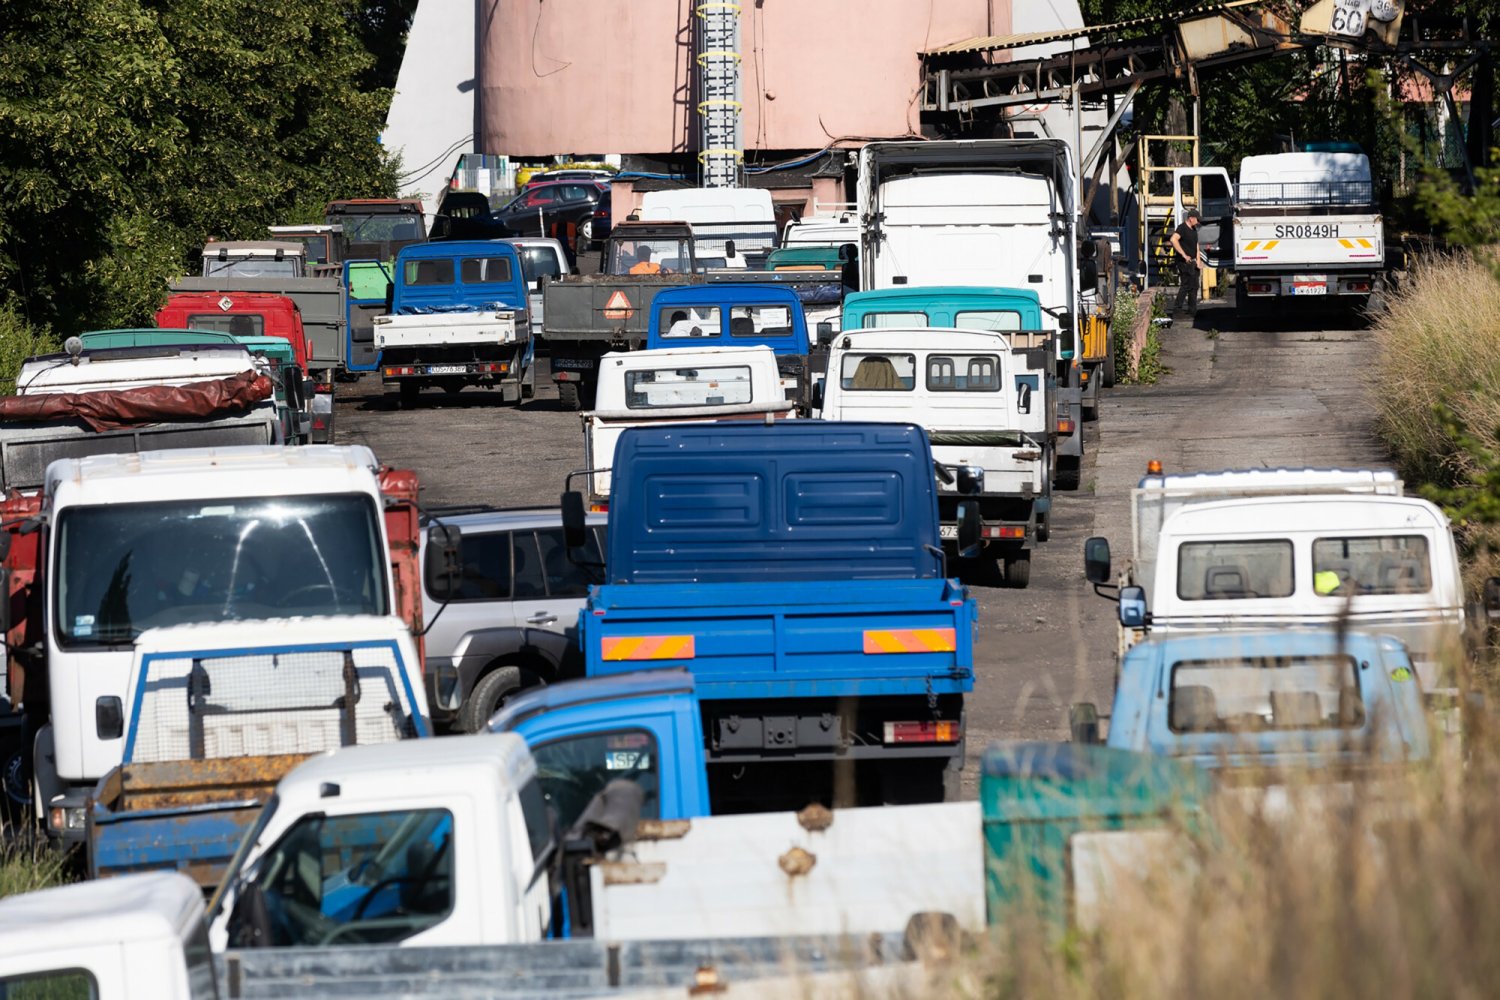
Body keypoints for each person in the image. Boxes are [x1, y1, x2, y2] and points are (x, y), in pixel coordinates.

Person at [1169, 209, 1203, 318]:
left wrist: (1198, 260)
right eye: (1197, 220)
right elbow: (1173, 240)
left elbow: (1196, 245)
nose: (1198, 222)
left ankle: (1192, 310)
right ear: (1191, 218)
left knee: (1195, 286)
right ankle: (1177, 309)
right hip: (1184, 262)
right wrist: (1184, 255)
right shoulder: (1182, 228)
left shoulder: (1194, 229)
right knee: (1186, 285)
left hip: (1193, 261)